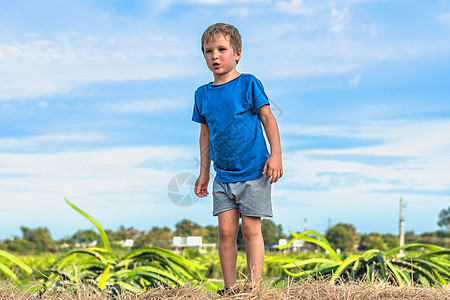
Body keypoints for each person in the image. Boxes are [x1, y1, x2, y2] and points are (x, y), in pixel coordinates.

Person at [192, 23, 283, 295]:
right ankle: (230, 289)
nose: (215, 56)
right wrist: (204, 173)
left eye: (222, 49)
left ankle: (253, 288)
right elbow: (205, 135)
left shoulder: (249, 83)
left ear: (238, 53)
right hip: (223, 177)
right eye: (209, 51)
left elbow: (268, 117)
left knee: (251, 230)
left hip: (255, 172)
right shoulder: (202, 94)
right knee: (225, 232)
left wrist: (276, 155)